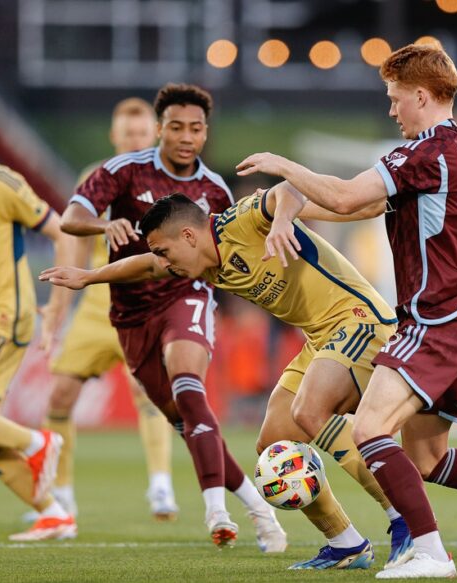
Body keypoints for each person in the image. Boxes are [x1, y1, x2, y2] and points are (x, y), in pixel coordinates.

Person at [235, 43, 457, 578]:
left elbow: (349, 198)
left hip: (433, 323)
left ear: (421, 95)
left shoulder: (422, 154)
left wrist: (282, 166)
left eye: (396, 99)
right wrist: (290, 203)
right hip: (452, 319)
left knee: (372, 429)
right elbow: (365, 203)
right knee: (430, 460)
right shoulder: (456, 145)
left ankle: (429, 551)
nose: (392, 109)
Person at [41, 184, 415, 570]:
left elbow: (288, 190)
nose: (164, 263)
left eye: (164, 251)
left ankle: (408, 520)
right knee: (274, 444)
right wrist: (90, 276)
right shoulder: (205, 262)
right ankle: (346, 544)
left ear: (188, 235)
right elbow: (147, 266)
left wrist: (283, 220)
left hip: (359, 320)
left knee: (310, 411)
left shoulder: (241, 221)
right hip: (320, 338)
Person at [57, 82, 287, 551]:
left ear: (205, 133)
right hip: (129, 316)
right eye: (177, 126)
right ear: (160, 128)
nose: (186, 136)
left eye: (196, 128)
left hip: (188, 296)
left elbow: (228, 253)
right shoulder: (122, 170)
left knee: (189, 385)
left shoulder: (214, 191)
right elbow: (71, 215)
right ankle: (260, 510)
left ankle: (215, 511)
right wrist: (105, 223)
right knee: (186, 420)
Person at [41, 97, 178, 522]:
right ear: (115, 137)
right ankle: (61, 494)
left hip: (144, 305)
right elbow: (74, 240)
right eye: (127, 135)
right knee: (61, 396)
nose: (134, 140)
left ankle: (161, 485)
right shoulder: (95, 180)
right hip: (97, 305)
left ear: (152, 135)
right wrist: (59, 306)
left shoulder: (171, 179)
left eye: (141, 134)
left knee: (146, 391)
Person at [0, 157, 76, 541]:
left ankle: (39, 441)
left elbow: (64, 233)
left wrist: (56, 304)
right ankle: (54, 514)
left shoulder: (1, 182)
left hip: (2, 315)